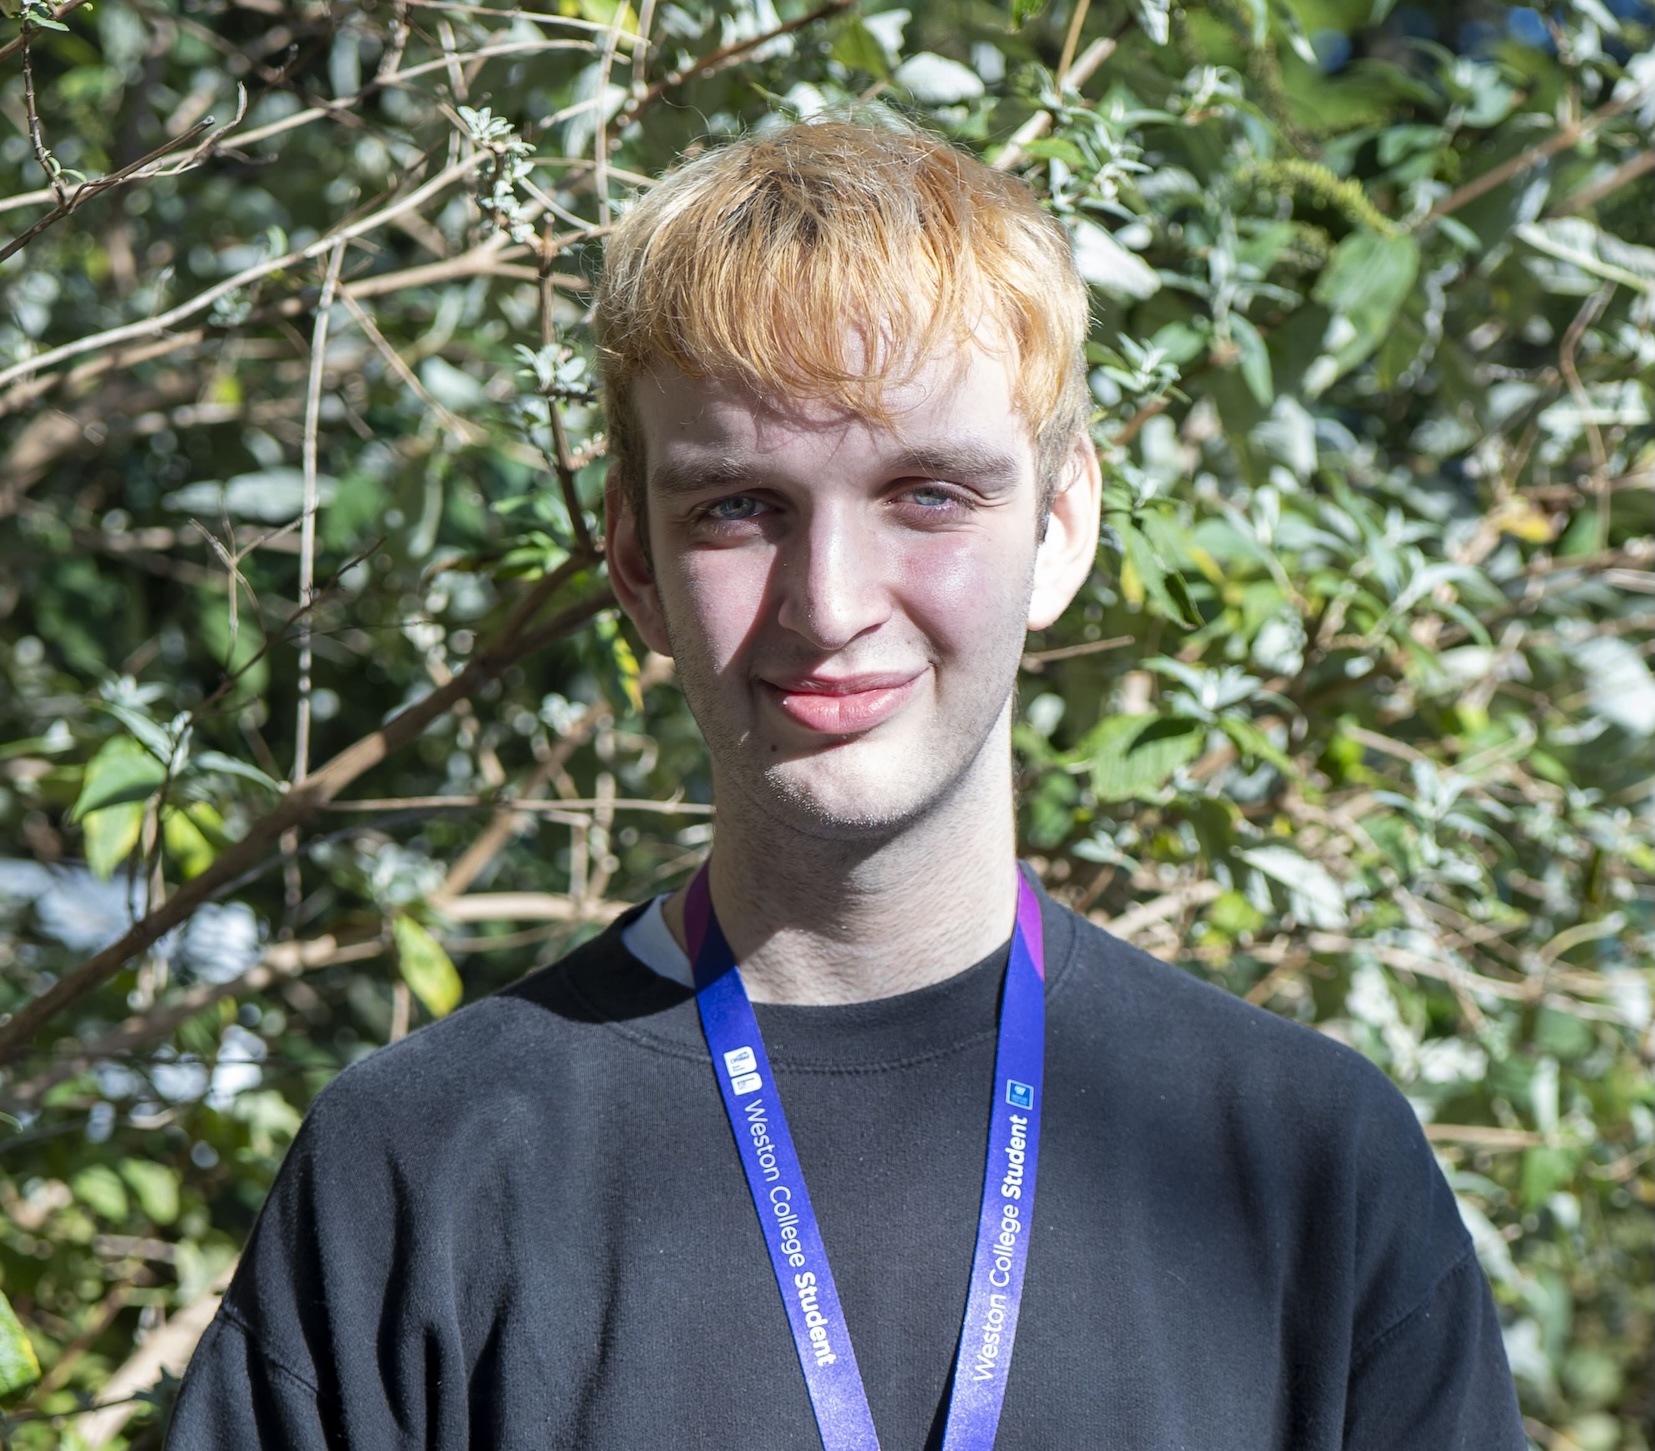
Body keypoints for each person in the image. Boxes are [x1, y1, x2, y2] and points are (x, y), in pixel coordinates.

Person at [167, 118, 1526, 1450]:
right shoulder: (418, 1169)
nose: (830, 605)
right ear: (634, 563)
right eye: (738, 506)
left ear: (1061, 529)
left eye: (928, 494)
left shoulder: (1308, 1167)